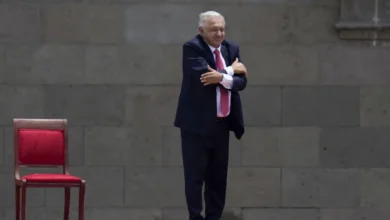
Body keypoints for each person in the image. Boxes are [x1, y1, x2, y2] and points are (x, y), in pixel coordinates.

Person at [174, 10, 248, 220]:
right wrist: (231, 71)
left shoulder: (231, 48)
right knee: (195, 177)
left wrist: (223, 76)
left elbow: (242, 83)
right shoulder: (192, 48)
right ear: (202, 30)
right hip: (195, 125)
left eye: (222, 29)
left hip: (221, 125)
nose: (219, 33)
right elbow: (204, 76)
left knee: (217, 178)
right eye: (214, 29)